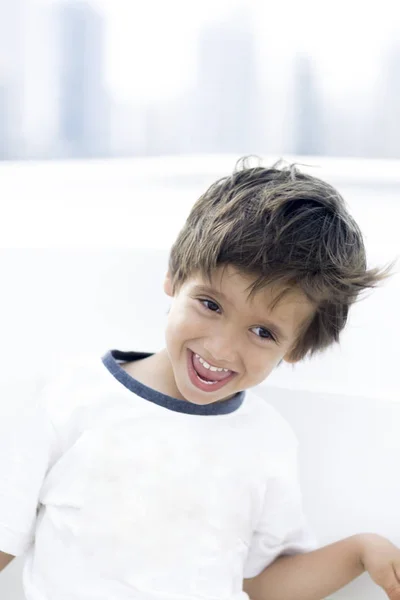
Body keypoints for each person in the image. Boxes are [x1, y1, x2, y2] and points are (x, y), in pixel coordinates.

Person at [0, 157, 399, 600]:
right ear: (174, 275)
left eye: (263, 332)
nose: (221, 348)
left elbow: (259, 584)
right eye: (210, 304)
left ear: (297, 349)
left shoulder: (267, 442)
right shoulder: (69, 399)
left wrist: (360, 551)